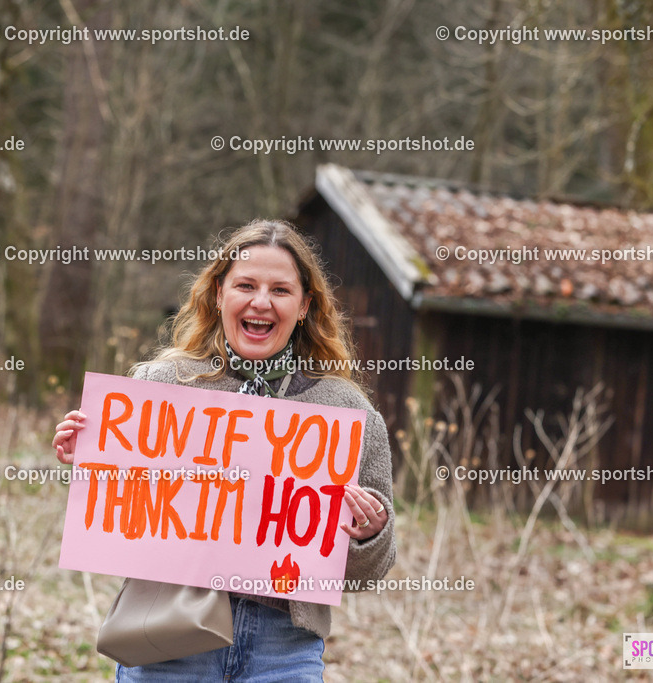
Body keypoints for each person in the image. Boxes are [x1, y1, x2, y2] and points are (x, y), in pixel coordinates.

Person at [52, 219, 397, 681]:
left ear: (303, 306)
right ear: (219, 294)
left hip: (283, 647)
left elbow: (368, 572)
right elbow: (125, 522)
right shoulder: (161, 387)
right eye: (246, 285)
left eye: (280, 290)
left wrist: (369, 534)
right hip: (167, 629)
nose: (261, 302)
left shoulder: (347, 412)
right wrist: (96, 460)